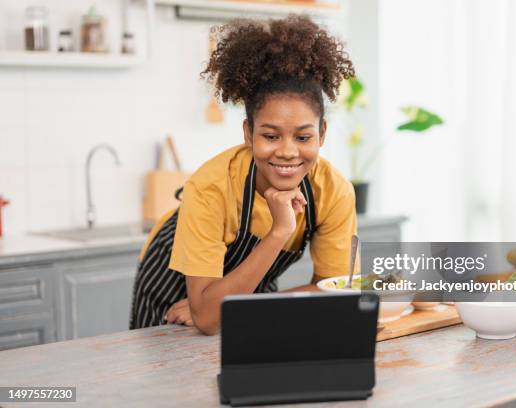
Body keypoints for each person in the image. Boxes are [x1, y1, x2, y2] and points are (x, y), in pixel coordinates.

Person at [130, 15, 357, 335]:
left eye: (303, 137)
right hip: (171, 294)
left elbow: (338, 292)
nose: (288, 152)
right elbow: (208, 321)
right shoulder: (210, 188)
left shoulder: (333, 192)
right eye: (271, 136)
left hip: (247, 296)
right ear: (248, 134)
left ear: (322, 134)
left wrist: (237, 307)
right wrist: (279, 232)